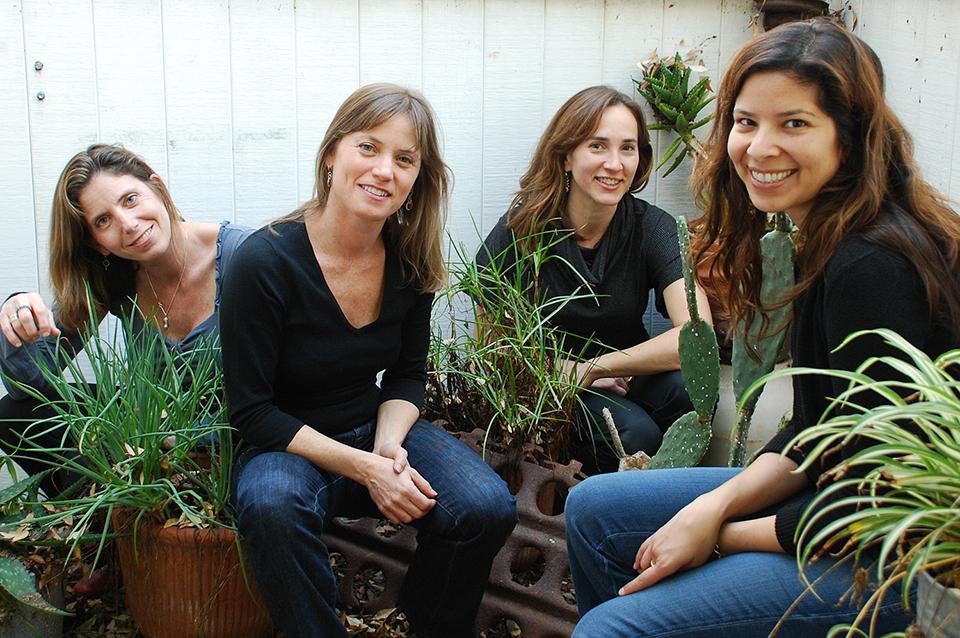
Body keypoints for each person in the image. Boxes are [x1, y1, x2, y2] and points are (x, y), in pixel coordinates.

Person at [565, 18, 960, 637]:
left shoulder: (873, 266)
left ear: (850, 138)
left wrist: (719, 534)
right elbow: (818, 429)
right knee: (593, 506)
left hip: (902, 555)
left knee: (610, 630)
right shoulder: (827, 240)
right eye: (747, 122)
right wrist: (712, 502)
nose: (759, 147)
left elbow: (875, 496)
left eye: (794, 123)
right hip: (836, 496)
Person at [220, 83, 517, 638]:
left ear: (416, 179)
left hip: (372, 430)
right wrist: (366, 470)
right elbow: (252, 411)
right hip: (290, 444)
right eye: (368, 148)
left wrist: (387, 447)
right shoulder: (264, 260)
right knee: (271, 505)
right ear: (332, 154)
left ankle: (428, 623)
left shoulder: (408, 256)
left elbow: (406, 374)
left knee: (484, 505)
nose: (385, 170)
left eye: (404, 159)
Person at [475, 86, 711, 472]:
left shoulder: (652, 227)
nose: (615, 164)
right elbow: (491, 348)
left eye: (628, 148)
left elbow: (697, 336)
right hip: (552, 381)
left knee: (691, 391)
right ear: (566, 156)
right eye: (598, 146)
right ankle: (604, 516)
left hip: (627, 369)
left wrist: (596, 367)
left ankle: (670, 505)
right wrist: (564, 373)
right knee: (637, 435)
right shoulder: (522, 230)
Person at [0, 144, 251, 497]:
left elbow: (295, 388)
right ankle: (109, 524)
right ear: (97, 243)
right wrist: (17, 313)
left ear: (157, 187)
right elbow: (29, 383)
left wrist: (186, 435)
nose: (128, 225)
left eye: (130, 199)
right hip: (152, 452)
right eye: (103, 221)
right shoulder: (114, 276)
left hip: (240, 441)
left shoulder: (245, 256)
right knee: (15, 412)